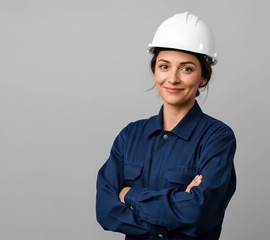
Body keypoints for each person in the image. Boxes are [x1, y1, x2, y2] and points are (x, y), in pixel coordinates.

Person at [96, 12, 236, 240]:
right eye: (164, 66)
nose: (173, 79)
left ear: (203, 77)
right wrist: (168, 221)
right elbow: (106, 211)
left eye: (186, 68)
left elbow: (198, 213)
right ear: (154, 71)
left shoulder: (217, 138)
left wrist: (131, 195)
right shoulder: (130, 136)